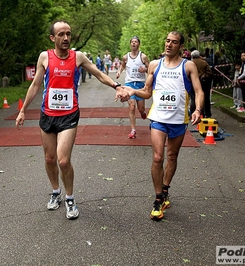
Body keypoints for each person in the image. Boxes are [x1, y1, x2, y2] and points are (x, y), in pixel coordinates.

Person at [15, 20, 124, 220]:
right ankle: (55, 191)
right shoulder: (44, 57)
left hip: (69, 114)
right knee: (49, 159)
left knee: (63, 160)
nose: (66, 38)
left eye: (68, 34)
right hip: (47, 114)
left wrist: (117, 86)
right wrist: (22, 110)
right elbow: (36, 85)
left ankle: (70, 197)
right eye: (61, 34)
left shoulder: (78, 57)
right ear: (52, 38)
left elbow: (99, 74)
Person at [117, 31, 203, 220]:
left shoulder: (188, 66)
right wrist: (131, 91)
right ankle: (158, 198)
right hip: (158, 118)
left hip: (179, 120)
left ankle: (165, 191)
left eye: (174, 42)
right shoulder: (155, 65)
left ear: (180, 46)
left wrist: (197, 110)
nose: (169, 45)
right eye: (167, 41)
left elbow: (198, 90)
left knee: (171, 156)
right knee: (157, 157)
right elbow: (147, 92)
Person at [116, 36, 150, 139]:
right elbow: (122, 65)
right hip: (129, 83)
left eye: (136, 42)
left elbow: (150, 69)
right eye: (132, 42)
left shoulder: (143, 57)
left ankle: (143, 112)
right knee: (131, 106)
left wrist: (144, 69)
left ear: (139, 44)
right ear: (130, 44)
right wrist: (119, 72)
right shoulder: (125, 57)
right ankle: (133, 130)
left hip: (140, 84)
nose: (134, 43)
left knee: (140, 108)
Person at [191, 50, 212, 118]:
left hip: (194, 83)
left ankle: (194, 113)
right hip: (204, 82)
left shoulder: (191, 63)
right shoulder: (204, 62)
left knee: (194, 98)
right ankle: (207, 113)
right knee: (206, 98)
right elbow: (209, 72)